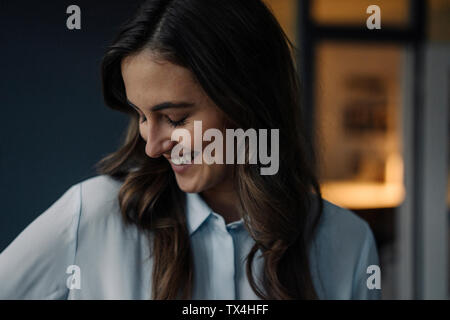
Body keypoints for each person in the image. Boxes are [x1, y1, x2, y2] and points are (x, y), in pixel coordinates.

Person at [0, 0, 381, 299]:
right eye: (141, 115)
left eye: (176, 118)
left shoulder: (347, 242)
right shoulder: (90, 215)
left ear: (247, 101)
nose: (151, 147)